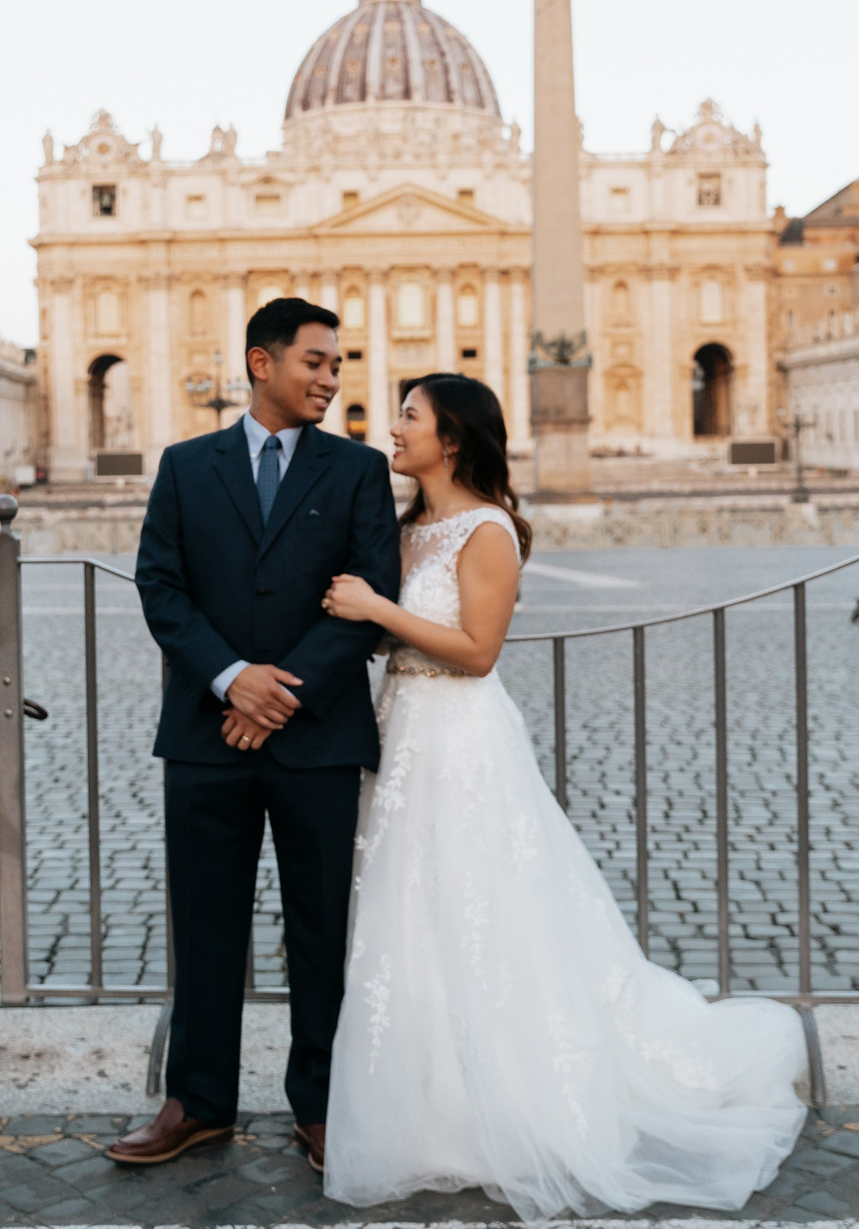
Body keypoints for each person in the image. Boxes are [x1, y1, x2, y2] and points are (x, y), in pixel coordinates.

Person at [316, 373, 807, 1219]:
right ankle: (428, 1106)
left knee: (477, 910)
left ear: (454, 437)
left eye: (408, 416)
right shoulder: (412, 527)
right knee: (409, 913)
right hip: (401, 736)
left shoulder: (488, 530)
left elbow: (477, 651)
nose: (390, 427)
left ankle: (501, 1099)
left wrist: (375, 609)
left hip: (460, 740)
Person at [110, 297, 401, 1175]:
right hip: (208, 731)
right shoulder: (186, 465)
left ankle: (321, 1102)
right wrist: (232, 677)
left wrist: (280, 692)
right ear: (260, 363)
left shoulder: (358, 469)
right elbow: (160, 585)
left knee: (320, 926)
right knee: (206, 925)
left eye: (337, 365)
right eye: (315, 361)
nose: (330, 378)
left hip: (315, 735)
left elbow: (371, 597)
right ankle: (197, 1100)